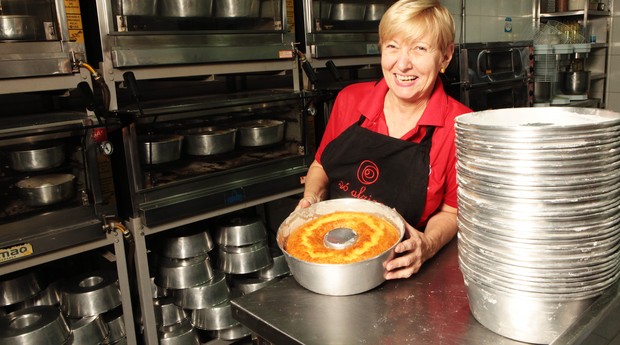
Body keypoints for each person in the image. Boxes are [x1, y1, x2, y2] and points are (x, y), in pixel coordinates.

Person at [295, 0, 472, 280]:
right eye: (392, 46)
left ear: (446, 56)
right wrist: (311, 199)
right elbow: (321, 165)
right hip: (333, 259)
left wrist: (427, 245)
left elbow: (451, 212)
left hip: (402, 271)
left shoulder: (460, 126)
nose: (402, 63)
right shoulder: (350, 101)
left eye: (420, 48)